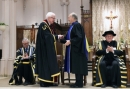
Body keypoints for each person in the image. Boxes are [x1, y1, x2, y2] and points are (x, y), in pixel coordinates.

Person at [60, 12, 89, 88]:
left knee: (78, 67)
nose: (68, 18)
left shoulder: (77, 25)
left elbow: (79, 37)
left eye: (69, 17)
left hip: (78, 50)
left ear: (73, 18)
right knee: (76, 67)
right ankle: (77, 82)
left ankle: (79, 84)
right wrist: (61, 39)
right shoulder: (72, 26)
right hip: (74, 50)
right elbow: (68, 38)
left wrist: (70, 41)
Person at [35, 12, 63, 87]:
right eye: (53, 18)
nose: (54, 20)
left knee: (49, 64)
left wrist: (57, 36)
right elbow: (47, 37)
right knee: (45, 65)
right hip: (44, 50)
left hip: (47, 49)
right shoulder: (43, 25)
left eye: (54, 18)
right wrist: (57, 37)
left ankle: (49, 81)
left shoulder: (48, 25)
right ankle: (44, 82)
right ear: (49, 18)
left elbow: (49, 36)